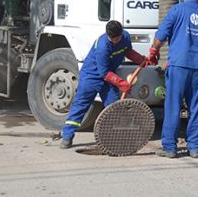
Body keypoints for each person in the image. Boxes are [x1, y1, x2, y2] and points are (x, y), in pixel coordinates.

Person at [60, 20, 147, 149]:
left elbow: (128, 51)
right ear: (107, 35)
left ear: (121, 34)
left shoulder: (126, 37)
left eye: (117, 38)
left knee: (113, 107)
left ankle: (113, 137)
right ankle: (67, 136)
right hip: (91, 77)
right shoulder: (102, 46)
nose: (115, 41)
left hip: (109, 77)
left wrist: (141, 59)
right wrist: (122, 83)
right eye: (112, 39)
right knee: (81, 106)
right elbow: (104, 73)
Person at [148, 0, 198, 158]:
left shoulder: (176, 11)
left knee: (173, 106)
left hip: (178, 65)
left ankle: (170, 147)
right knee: (196, 107)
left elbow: (160, 36)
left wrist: (154, 50)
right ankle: (195, 147)